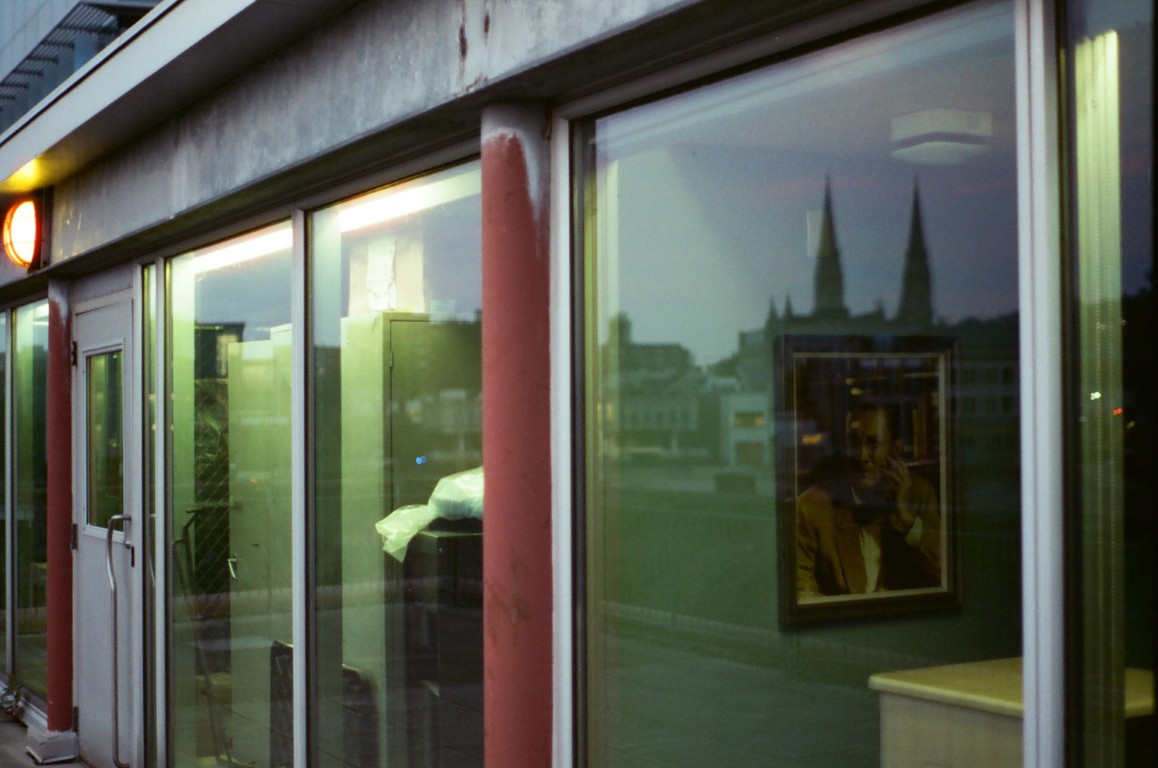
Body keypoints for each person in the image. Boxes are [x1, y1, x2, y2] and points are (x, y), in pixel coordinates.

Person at [796, 406, 941, 599]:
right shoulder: (811, 507)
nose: (861, 456)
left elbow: (944, 573)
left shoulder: (919, 496)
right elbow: (801, 591)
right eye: (853, 443)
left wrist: (908, 521)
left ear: (895, 449)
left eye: (873, 443)